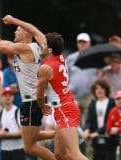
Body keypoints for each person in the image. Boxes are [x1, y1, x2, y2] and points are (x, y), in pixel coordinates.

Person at [0, 13, 55, 159]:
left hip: (32, 101)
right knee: (31, 140)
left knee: (29, 146)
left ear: (26, 33)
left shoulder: (25, 48)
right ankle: (61, 134)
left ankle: (61, 141)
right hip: (31, 101)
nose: (15, 31)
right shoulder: (24, 47)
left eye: (18, 29)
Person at [37, 32, 87, 160]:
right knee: (59, 154)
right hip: (66, 108)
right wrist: (15, 21)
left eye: (44, 43)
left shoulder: (46, 68)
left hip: (65, 110)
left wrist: (42, 105)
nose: (40, 44)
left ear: (49, 49)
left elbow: (39, 94)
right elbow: (39, 35)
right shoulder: (60, 57)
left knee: (74, 154)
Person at [65, 33, 98, 126]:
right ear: (77, 44)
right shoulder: (71, 58)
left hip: (89, 95)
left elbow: (100, 74)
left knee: (88, 122)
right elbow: (64, 75)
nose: (82, 44)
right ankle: (76, 141)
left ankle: (87, 140)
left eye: (84, 42)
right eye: (80, 42)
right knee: (74, 122)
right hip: (73, 95)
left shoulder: (95, 58)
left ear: (89, 44)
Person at [82, 80, 117, 160]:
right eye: (97, 88)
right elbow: (88, 120)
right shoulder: (92, 104)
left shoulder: (112, 103)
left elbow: (111, 121)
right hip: (96, 140)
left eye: (102, 88)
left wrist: (98, 132)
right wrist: (87, 129)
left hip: (109, 139)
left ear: (106, 90)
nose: (99, 90)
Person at [0, 87, 25, 160]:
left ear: (13, 97)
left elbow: (23, 131)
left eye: (10, 95)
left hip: (18, 149)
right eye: (5, 95)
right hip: (4, 150)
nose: (7, 97)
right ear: (1, 98)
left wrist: (7, 134)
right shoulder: (0, 113)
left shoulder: (18, 111)